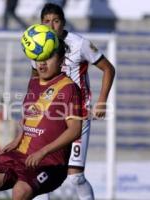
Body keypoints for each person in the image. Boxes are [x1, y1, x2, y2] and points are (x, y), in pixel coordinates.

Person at [0, 38, 83, 200]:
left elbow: (75, 130)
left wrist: (43, 151)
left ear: (61, 60)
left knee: (20, 191)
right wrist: (18, 139)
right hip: (20, 155)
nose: (42, 64)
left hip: (49, 162)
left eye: (48, 58)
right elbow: (31, 116)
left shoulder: (69, 88)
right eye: (39, 58)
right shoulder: (34, 83)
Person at [31, 3, 115, 200]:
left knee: (75, 176)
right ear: (41, 23)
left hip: (78, 115)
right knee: (41, 172)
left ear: (63, 23)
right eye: (46, 21)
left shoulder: (80, 44)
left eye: (56, 21)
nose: (51, 26)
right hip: (50, 117)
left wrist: (102, 100)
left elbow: (108, 69)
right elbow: (36, 81)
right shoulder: (37, 46)